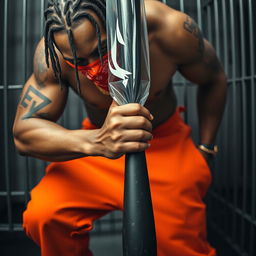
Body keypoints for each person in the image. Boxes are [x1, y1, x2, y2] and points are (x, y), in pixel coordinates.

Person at [13, 0, 227, 255]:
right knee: (44, 215)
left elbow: (214, 78)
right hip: (100, 145)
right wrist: (97, 141)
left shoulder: (169, 28)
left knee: (181, 248)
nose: (93, 68)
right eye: (79, 61)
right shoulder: (55, 53)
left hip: (163, 144)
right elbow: (23, 134)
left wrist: (206, 148)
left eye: (102, 49)